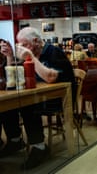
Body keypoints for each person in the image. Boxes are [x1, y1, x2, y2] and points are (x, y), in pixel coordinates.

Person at [0, 27, 76, 170]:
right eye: (19, 45)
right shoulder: (32, 54)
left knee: (28, 105)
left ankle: (39, 147)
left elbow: (51, 77)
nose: (21, 48)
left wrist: (31, 58)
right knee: (9, 104)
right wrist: (10, 56)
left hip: (60, 98)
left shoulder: (53, 52)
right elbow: (16, 77)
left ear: (36, 41)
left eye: (24, 44)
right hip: (40, 96)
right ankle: (15, 140)